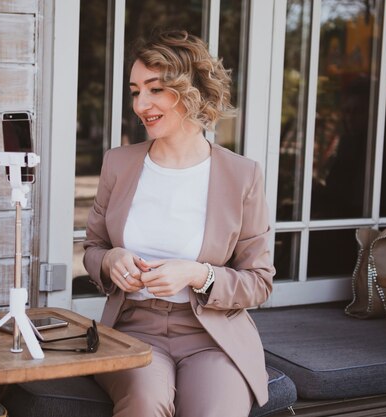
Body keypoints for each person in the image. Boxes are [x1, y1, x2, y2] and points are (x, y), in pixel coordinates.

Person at [83, 30, 275, 417]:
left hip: (212, 336)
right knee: (144, 401)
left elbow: (259, 280)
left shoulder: (242, 175)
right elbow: (92, 250)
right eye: (136, 91)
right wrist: (110, 260)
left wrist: (197, 274)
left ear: (191, 91)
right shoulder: (118, 163)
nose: (141, 104)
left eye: (155, 90)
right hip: (134, 328)